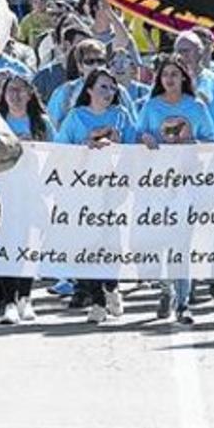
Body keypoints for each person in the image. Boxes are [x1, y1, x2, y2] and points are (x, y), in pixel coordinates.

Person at [137, 55, 214, 325]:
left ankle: (183, 302)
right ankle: (165, 288)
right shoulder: (150, 107)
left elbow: (210, 140)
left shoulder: (196, 106)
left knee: (183, 242)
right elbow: (138, 136)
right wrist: (144, 138)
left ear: (184, 77)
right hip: (158, 183)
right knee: (161, 239)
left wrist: (192, 142)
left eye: (175, 74)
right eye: (165, 74)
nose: (170, 79)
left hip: (188, 181)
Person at [55, 68, 137, 324]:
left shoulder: (121, 116)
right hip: (84, 191)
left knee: (110, 244)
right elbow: (60, 150)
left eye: (113, 88)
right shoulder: (75, 117)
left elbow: (134, 149)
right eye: (103, 87)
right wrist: (85, 146)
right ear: (89, 90)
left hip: (114, 190)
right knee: (87, 245)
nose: (109, 93)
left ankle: (111, 288)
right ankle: (97, 301)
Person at [0, 74, 54, 324]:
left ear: (30, 94)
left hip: (34, 192)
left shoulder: (42, 123)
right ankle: (8, 301)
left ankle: (25, 299)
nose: (16, 95)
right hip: (5, 193)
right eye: (11, 90)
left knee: (29, 245)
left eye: (21, 90)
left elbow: (57, 154)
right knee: (8, 245)